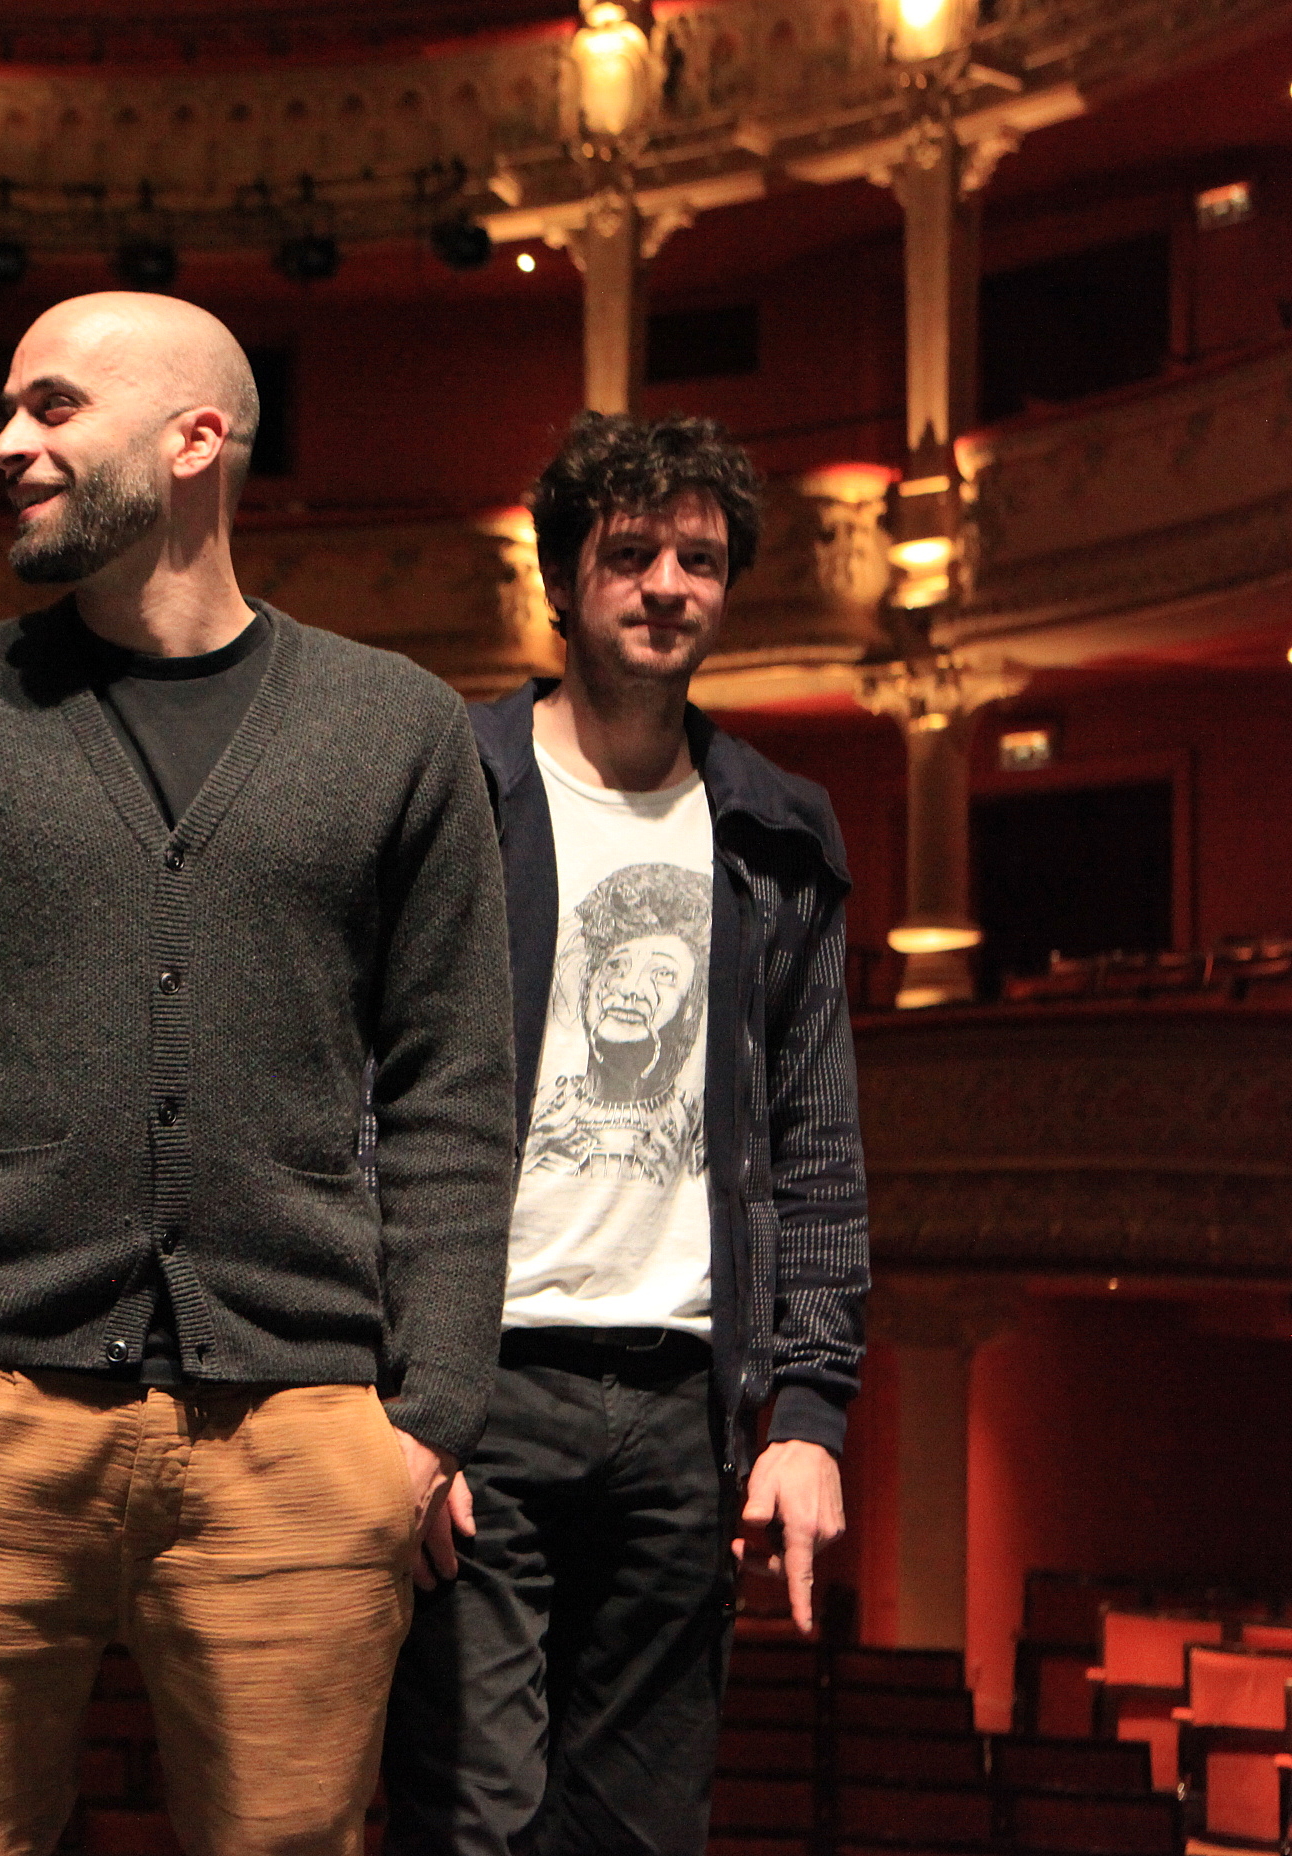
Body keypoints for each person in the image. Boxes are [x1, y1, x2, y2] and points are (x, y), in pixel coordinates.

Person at [0, 291, 517, 1856]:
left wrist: (428, 1418)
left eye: (52, 407)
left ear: (194, 440)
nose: (6, 443)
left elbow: (454, 1094)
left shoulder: (396, 725)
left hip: (303, 1430)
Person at [381, 411, 869, 1856]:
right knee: (470, 1821)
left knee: (641, 1834)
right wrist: (390, 1399)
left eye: (700, 559)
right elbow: (363, 1099)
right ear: (561, 578)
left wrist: (811, 1417)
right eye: (632, 553)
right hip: (478, 1385)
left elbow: (813, 1140)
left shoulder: (776, 829)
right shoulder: (455, 787)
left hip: (681, 1407)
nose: (668, 585)